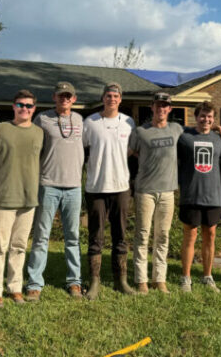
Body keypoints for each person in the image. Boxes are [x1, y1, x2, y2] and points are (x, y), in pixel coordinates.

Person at [25, 81, 85, 300]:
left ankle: (75, 282)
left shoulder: (79, 120)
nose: (65, 99)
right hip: (48, 185)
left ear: (74, 99)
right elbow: (32, 147)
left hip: (74, 187)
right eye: (61, 95)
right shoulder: (42, 118)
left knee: (73, 237)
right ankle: (34, 284)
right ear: (54, 97)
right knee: (41, 236)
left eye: (68, 96)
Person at [0, 90, 44, 308]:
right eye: (20, 105)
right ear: (13, 106)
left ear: (34, 109)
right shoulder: (0, 130)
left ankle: (15, 288)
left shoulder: (39, 133)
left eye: (29, 106)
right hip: (3, 198)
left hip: (28, 199)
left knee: (19, 247)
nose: (25, 109)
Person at [82, 82, 136, 299]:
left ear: (120, 99)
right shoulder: (91, 122)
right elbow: (82, 150)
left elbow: (133, 151)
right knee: (96, 235)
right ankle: (94, 282)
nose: (111, 99)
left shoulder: (128, 123)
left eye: (115, 96)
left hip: (121, 187)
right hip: (96, 187)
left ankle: (120, 280)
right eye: (108, 95)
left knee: (120, 235)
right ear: (102, 98)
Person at [129, 92, 184, 294]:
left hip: (168, 192)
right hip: (145, 191)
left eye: (165, 106)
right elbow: (130, 152)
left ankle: (159, 279)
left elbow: (198, 131)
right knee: (142, 235)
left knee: (162, 236)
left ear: (169, 109)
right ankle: (141, 280)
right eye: (158, 105)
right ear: (151, 107)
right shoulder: (141, 132)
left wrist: (216, 127)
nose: (161, 109)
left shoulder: (176, 129)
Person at [177, 101, 221, 293]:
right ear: (196, 117)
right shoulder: (184, 136)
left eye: (210, 117)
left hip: (213, 196)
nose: (206, 120)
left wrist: (216, 128)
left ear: (214, 119)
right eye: (202, 116)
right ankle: (186, 278)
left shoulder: (220, 139)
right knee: (190, 236)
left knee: (210, 236)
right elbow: (170, 125)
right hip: (191, 195)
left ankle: (207, 276)